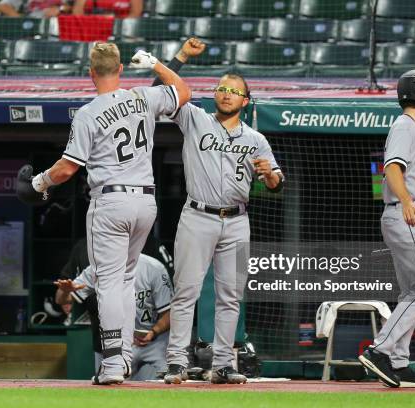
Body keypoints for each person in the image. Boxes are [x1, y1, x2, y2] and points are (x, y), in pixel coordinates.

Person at [16, 42, 190, 385]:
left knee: (109, 283)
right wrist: (156, 64)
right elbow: (184, 91)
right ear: (121, 68)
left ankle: (111, 364)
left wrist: (38, 183)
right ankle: (122, 356)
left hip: (111, 201)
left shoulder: (88, 113)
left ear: (91, 72)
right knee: (124, 281)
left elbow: (66, 169)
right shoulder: (142, 96)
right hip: (145, 202)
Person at [160, 68, 284, 384]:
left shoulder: (256, 139)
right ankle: (176, 362)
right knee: (186, 290)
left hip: (238, 220)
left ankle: (225, 364)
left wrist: (269, 174)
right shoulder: (195, 118)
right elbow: (175, 89)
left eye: (233, 91)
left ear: (245, 100)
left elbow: (276, 183)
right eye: (221, 88)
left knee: (231, 295)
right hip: (197, 216)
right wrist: (163, 64)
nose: (226, 93)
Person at [358, 70, 415, 389]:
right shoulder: (405, 127)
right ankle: (380, 350)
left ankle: (399, 362)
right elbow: (392, 167)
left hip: (409, 214)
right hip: (408, 214)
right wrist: (407, 201)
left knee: (412, 291)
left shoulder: (410, 127)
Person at [56, 251, 172, 380]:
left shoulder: (153, 268)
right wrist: (65, 291)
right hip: (117, 343)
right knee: (112, 390)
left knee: (159, 387)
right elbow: (62, 299)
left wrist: (154, 332)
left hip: (154, 343)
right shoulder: (99, 267)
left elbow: (169, 313)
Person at [0, 0, 71, 18]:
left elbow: (70, 7)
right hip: (29, 32)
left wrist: (60, 9)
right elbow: (3, 6)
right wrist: (21, 21)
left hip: (53, 31)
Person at [72, 0, 143, 18]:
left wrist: (115, 22)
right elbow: (77, 13)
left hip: (120, 31)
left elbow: (135, 13)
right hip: (91, 29)